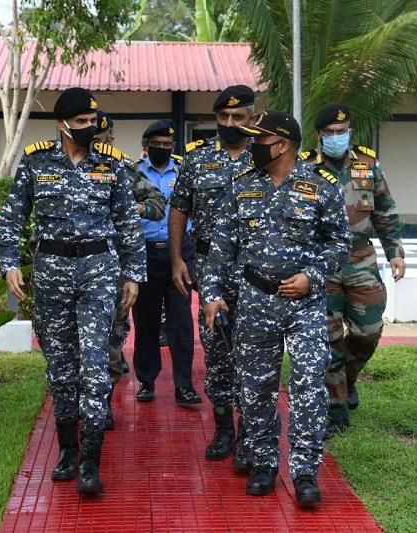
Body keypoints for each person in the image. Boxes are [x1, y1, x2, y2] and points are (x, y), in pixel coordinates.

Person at [0, 88, 146, 496]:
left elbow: (128, 224)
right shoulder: (36, 162)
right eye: (80, 123)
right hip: (51, 273)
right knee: (61, 368)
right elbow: (11, 220)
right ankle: (68, 451)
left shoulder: (110, 166)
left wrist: (133, 274)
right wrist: (10, 263)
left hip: (98, 271)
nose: (89, 129)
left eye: (92, 122)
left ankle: (91, 465)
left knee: (94, 366)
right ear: (62, 124)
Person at [201, 111, 351, 507]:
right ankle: (264, 462)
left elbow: (339, 243)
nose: (252, 145)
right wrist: (213, 293)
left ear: (281, 144)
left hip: (304, 306)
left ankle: (305, 473)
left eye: (259, 138)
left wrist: (312, 277)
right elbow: (221, 249)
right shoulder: (242, 188)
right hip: (255, 302)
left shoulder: (321, 188)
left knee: (307, 388)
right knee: (255, 390)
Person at [169, 85, 256, 469]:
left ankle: (253, 432)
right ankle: (224, 430)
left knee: (255, 349)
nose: (230, 123)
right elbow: (179, 209)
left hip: (257, 268)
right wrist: (177, 259)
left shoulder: (268, 156)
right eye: (223, 117)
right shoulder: (197, 159)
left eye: (238, 117)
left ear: (252, 117)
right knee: (218, 348)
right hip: (210, 268)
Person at [311, 104, 406, 439]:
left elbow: (385, 211)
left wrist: (395, 252)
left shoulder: (368, 164)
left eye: (343, 131)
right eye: (331, 132)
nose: (337, 137)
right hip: (322, 263)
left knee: (369, 330)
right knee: (329, 336)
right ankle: (335, 408)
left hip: (361, 257)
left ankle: (346, 380)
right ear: (320, 135)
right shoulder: (305, 168)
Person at [95, 110, 167, 429]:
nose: (98, 143)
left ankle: (103, 403)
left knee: (111, 336)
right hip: (71, 269)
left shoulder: (120, 167)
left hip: (114, 269)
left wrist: (130, 206)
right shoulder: (57, 167)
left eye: (103, 138)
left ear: (110, 138)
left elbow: (157, 203)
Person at [131, 119, 201, 406]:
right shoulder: (133, 172)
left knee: (181, 321)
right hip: (144, 251)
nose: (162, 149)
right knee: (145, 320)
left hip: (179, 252)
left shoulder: (184, 170)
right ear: (145, 147)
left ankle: (184, 385)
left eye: (167, 145)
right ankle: (147, 381)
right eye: (156, 145)